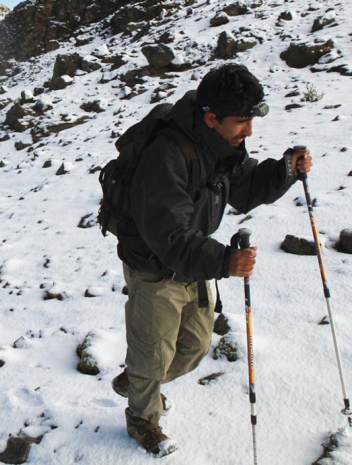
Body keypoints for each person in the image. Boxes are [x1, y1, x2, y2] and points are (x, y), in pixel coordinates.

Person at [110, 63, 313, 457]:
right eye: (241, 122)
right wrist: (225, 262)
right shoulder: (166, 154)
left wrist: (285, 170)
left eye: (251, 120)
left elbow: (245, 187)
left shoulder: (221, 146)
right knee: (153, 356)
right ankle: (142, 418)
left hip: (193, 260)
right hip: (156, 266)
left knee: (194, 347)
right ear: (211, 117)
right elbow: (169, 235)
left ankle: (138, 380)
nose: (248, 132)